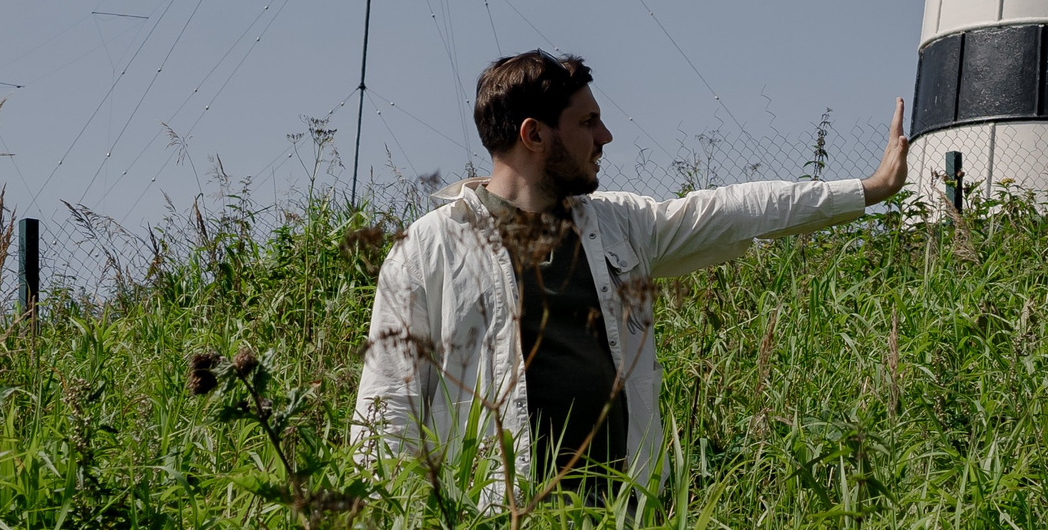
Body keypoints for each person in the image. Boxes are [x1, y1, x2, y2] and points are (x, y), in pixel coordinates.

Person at [352, 50, 910, 498]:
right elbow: (385, 411)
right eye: (588, 122)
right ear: (534, 135)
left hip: (623, 524)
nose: (606, 137)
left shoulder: (617, 226)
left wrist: (866, 190)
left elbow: (735, 209)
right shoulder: (428, 250)